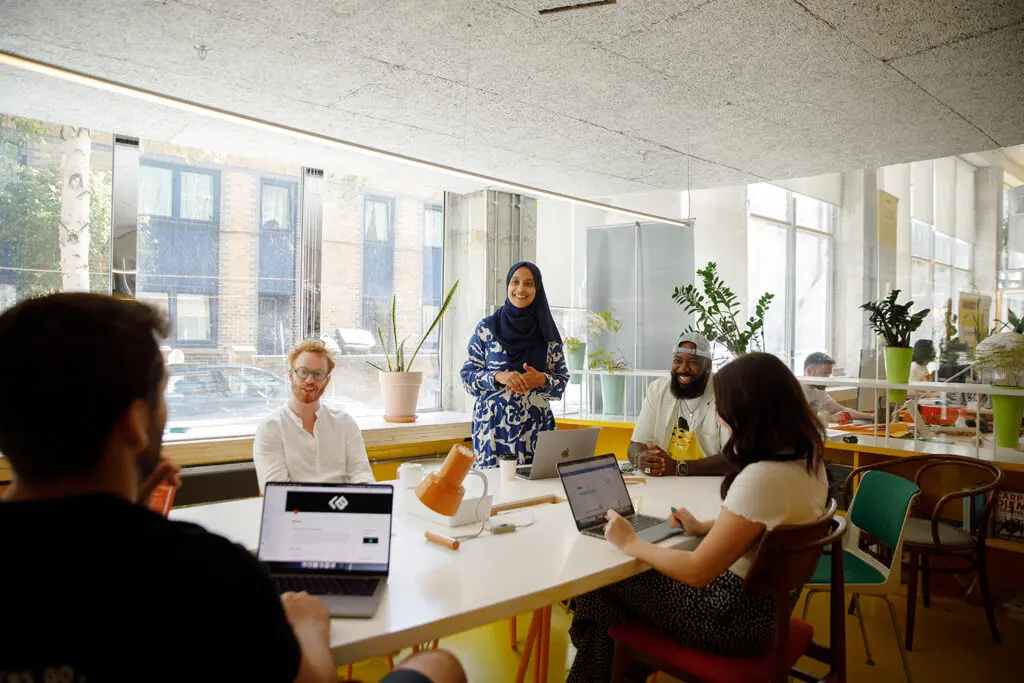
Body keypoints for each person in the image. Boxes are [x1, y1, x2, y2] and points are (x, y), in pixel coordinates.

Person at [0, 293, 466, 683]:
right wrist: (306, 625)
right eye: (162, 396)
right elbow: (310, 679)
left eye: (317, 374)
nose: (309, 381)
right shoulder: (209, 570)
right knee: (440, 663)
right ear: (134, 423)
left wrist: (127, 508)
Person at [567, 352, 828, 683]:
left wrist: (630, 542)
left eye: (723, 407)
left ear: (749, 411)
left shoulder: (762, 478)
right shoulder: (809, 461)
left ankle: (611, 664)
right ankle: (619, 663)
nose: (719, 416)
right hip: (767, 613)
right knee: (609, 609)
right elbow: (768, 523)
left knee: (600, 585)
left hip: (730, 621)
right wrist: (706, 527)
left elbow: (698, 571)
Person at [461, 262, 569, 468]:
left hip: (536, 431)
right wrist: (497, 376)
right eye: (515, 282)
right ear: (508, 286)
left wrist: (542, 379)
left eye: (529, 283)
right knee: (492, 493)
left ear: (537, 289)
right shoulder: (487, 329)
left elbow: (561, 383)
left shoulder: (547, 334)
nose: (521, 289)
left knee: (537, 494)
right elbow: (467, 377)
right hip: (491, 431)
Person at [254, 339, 374, 493]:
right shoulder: (270, 428)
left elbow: (362, 476)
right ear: (291, 375)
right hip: (295, 514)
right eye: (303, 372)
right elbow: (277, 494)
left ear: (327, 380)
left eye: (318, 374)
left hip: (342, 509)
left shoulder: (345, 423)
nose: (309, 380)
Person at [627, 332, 731, 477]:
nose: (683, 368)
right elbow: (636, 444)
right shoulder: (658, 390)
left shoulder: (726, 393)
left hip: (711, 484)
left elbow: (733, 458)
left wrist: (679, 467)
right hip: (667, 483)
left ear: (707, 365)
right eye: (678, 361)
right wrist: (640, 459)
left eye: (693, 362)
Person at [803, 351, 874, 421]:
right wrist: (830, 419)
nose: (827, 378)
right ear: (809, 371)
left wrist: (872, 416)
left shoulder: (818, 389)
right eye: (824, 374)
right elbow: (800, 421)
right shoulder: (796, 390)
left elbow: (842, 410)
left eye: (828, 374)